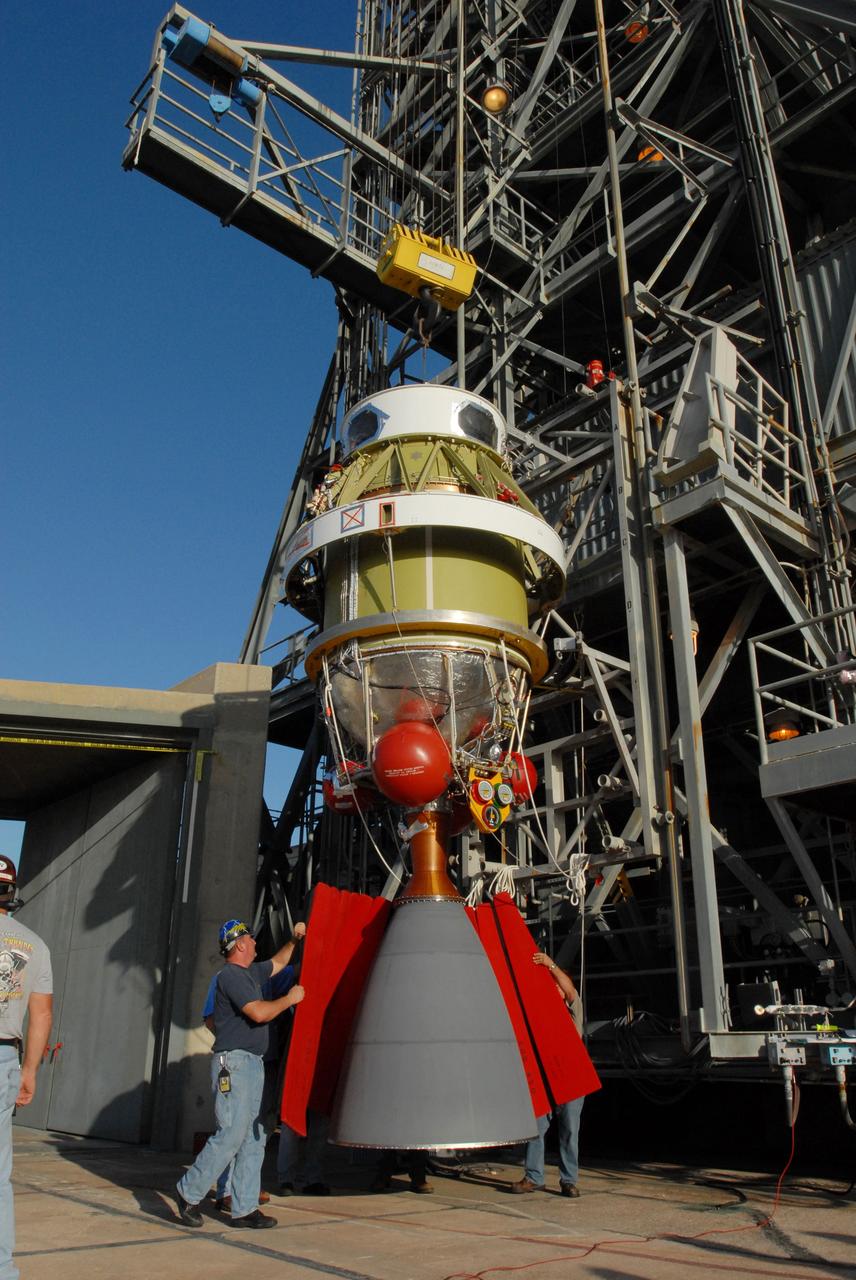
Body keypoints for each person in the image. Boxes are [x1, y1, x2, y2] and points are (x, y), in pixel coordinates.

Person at [174, 918, 306, 1229]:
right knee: (232, 1132)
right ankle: (188, 1191)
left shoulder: (252, 972)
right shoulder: (230, 977)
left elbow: (278, 962)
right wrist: (290, 998)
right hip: (233, 1064)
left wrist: (294, 940)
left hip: (252, 1063)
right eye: (251, 938)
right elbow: (258, 1013)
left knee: (253, 1136)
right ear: (240, 944)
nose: (256, 942)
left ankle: (244, 1209)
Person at [0, 856, 53, 1280]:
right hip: (6, 1060)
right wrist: (30, 1071)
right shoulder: (36, 946)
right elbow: (41, 1016)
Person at [511, 951, 584, 1199]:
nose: (553, 990)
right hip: (545, 1078)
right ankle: (534, 1177)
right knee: (537, 1126)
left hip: (570, 1078)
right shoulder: (540, 1016)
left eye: (556, 987)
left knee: (569, 1130)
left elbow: (571, 990)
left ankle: (569, 1180)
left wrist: (550, 965)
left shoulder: (572, 1012)